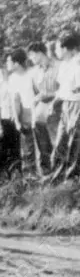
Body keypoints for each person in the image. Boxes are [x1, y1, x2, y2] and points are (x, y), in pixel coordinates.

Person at [49, 33, 80, 182]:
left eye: (59, 48)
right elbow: (62, 89)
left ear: (68, 49)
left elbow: (77, 87)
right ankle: (57, 174)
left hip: (77, 104)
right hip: (66, 105)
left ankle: (71, 177)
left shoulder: (78, 61)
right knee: (61, 140)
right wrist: (54, 102)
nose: (56, 52)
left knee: (74, 141)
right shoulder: (63, 65)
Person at [28, 41, 60, 177]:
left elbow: (64, 90)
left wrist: (50, 96)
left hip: (57, 107)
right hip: (41, 109)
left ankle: (59, 169)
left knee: (57, 141)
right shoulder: (34, 72)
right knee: (41, 142)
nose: (32, 59)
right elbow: (35, 92)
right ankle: (46, 171)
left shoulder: (58, 66)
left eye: (33, 56)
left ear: (40, 53)